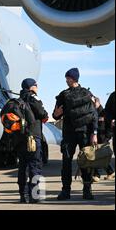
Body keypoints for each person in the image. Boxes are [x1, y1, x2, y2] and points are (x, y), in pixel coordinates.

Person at [53, 68, 98, 200]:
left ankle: (77, 191)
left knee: (76, 162)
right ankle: (76, 191)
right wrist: (55, 115)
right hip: (76, 133)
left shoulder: (77, 94)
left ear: (73, 78)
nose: (66, 80)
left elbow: (93, 115)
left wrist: (94, 133)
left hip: (77, 133)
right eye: (67, 78)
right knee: (75, 162)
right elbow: (55, 114)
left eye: (68, 78)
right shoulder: (74, 94)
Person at [16, 78, 49, 203]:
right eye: (35, 85)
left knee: (22, 166)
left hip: (20, 138)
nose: (37, 87)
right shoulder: (33, 98)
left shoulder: (17, 101)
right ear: (31, 87)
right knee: (35, 165)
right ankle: (35, 196)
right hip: (33, 138)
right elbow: (43, 114)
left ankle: (23, 196)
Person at [92, 96, 115, 182]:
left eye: (94, 102)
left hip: (103, 138)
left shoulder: (105, 112)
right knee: (99, 157)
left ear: (98, 102)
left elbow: (109, 126)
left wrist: (108, 137)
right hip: (96, 139)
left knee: (99, 157)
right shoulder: (93, 113)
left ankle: (97, 175)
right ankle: (110, 172)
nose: (93, 104)